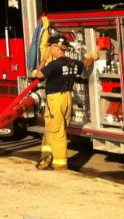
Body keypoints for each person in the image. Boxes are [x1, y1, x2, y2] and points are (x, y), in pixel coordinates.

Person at [35, 34, 98, 171]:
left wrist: (43, 60)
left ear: (55, 47)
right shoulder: (73, 63)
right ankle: (46, 157)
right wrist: (92, 57)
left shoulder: (54, 64)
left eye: (50, 47)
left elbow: (39, 75)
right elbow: (85, 64)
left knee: (57, 132)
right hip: (67, 98)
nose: (49, 50)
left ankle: (59, 164)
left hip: (55, 100)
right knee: (53, 129)